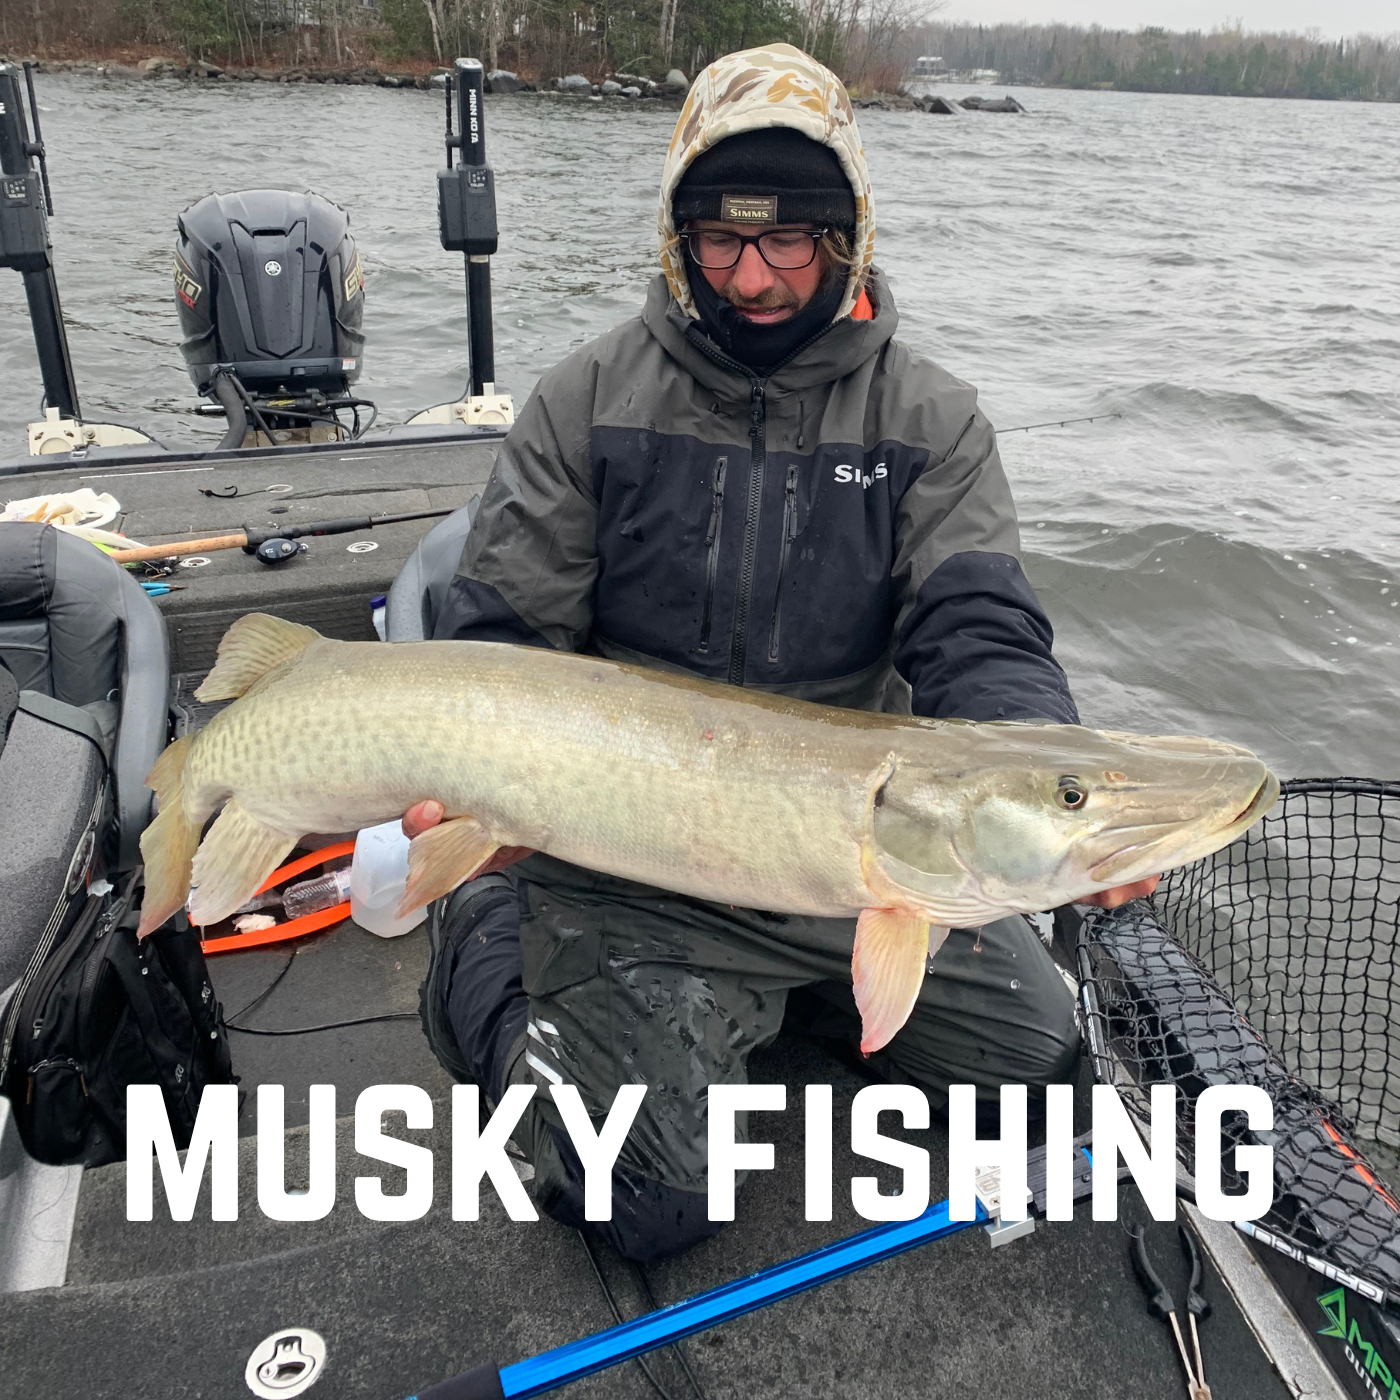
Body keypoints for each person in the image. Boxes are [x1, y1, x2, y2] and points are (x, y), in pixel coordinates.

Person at [409, 44, 1156, 1262]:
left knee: (1034, 1065)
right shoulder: (582, 399)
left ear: (844, 236)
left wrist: (1064, 791)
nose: (750, 276)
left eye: (787, 242)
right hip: (629, 852)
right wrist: (479, 785)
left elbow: (980, 634)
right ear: (678, 236)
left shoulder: (930, 420)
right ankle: (491, 956)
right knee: (645, 1203)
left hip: (852, 852)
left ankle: (759, 995)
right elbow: (501, 640)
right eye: (718, 240)